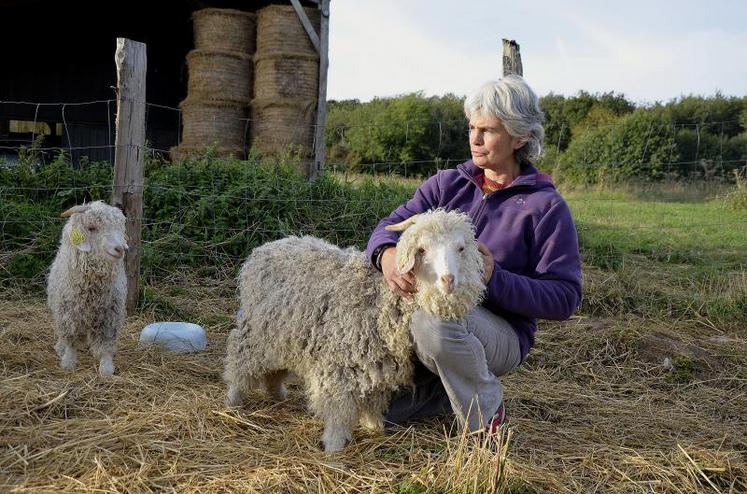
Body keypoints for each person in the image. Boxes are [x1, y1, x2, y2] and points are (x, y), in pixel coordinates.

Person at [366, 75, 582, 435]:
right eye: (471, 127)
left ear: (520, 137)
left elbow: (565, 298)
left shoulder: (544, 207)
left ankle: (486, 419)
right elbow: (389, 227)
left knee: (433, 322)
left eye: (489, 130)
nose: (475, 139)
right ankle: (440, 388)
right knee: (382, 416)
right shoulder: (447, 185)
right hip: (434, 314)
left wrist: (494, 277)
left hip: (501, 332)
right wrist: (387, 256)